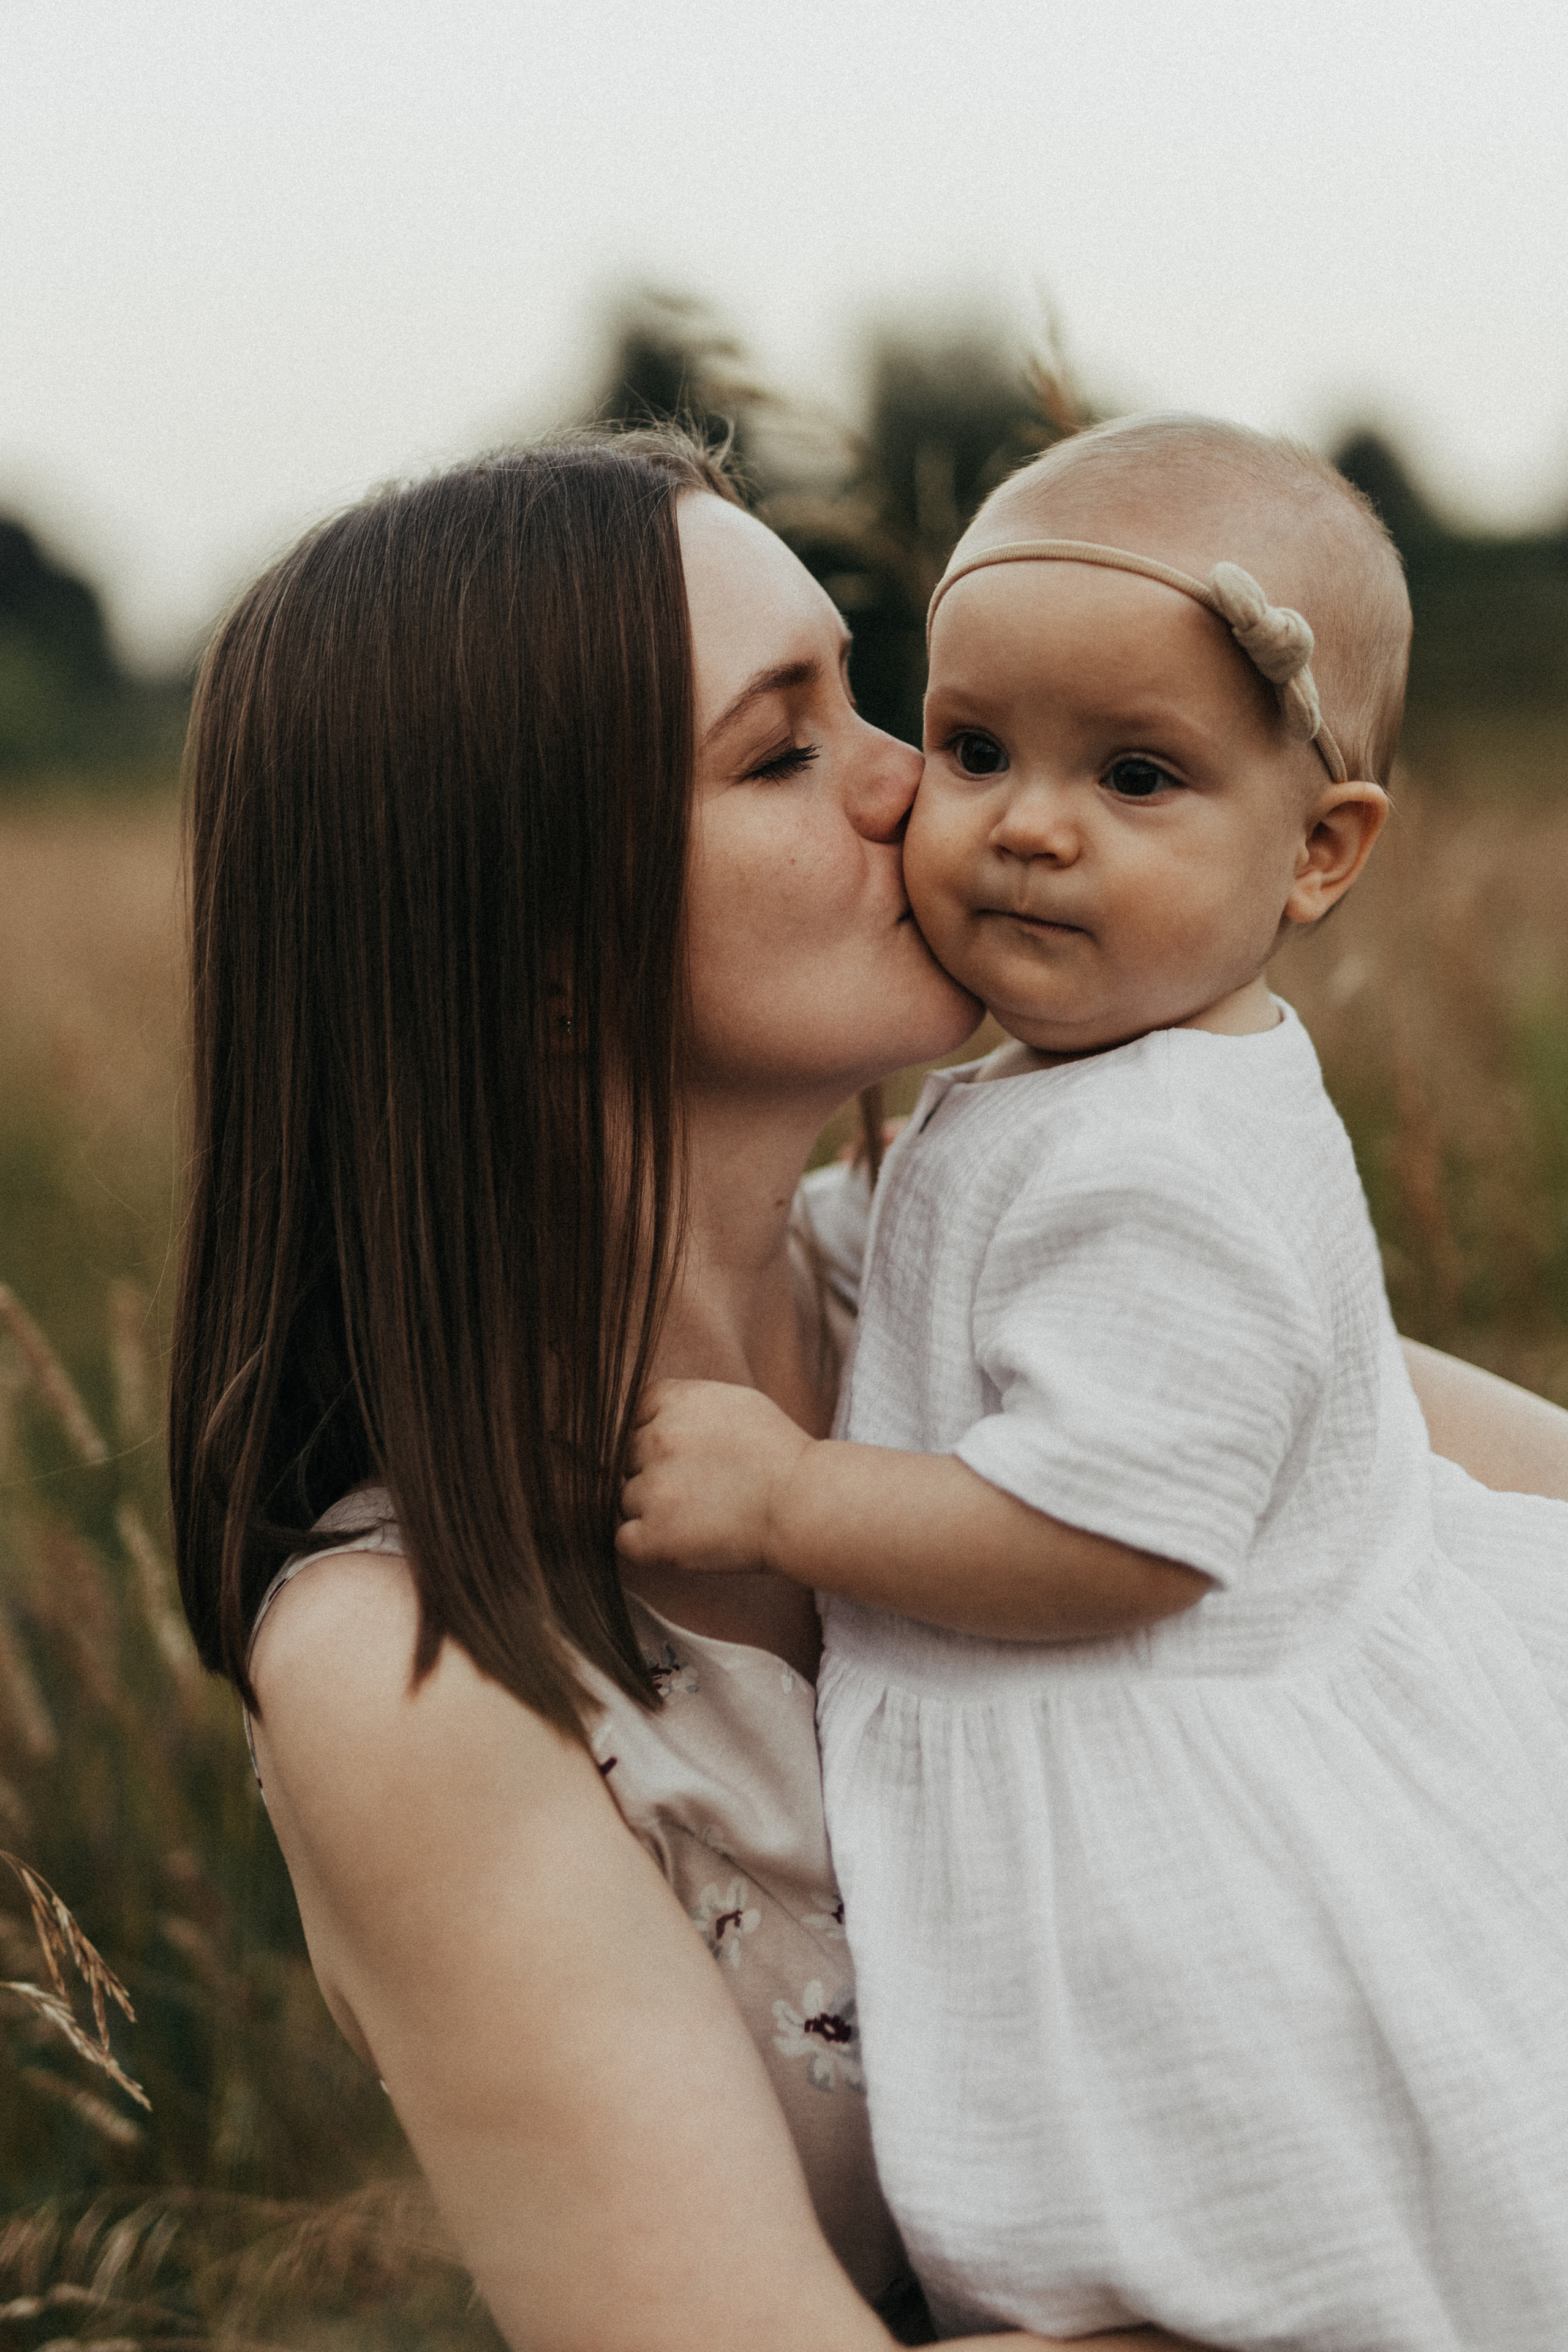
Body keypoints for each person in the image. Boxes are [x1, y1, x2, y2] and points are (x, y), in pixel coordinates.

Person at [168, 424, 1568, 2352]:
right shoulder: (416, 1663)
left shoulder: (1039, 1272)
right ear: (537, 942)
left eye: (875, 698)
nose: (922, 781)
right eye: (785, 746)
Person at [619, 417, 1568, 2350]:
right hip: (1154, 1801)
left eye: (1137, 776)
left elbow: (1114, 1532)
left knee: (1278, 2221)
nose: (1020, 824)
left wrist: (791, 1501)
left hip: (1212, 1849)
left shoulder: (1167, 1163)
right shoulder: (1079, 1098)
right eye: (976, 748)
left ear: (1322, 851)